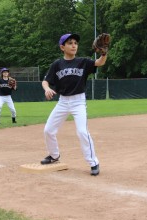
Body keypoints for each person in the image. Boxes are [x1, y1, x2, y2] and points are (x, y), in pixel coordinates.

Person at [40, 33, 107, 176]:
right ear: (62, 47)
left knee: (82, 131)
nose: (74, 45)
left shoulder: (83, 61)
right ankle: (54, 155)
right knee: (48, 130)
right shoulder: (57, 64)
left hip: (78, 102)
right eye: (70, 43)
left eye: (75, 43)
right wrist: (47, 89)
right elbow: (45, 81)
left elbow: (100, 62)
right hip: (63, 102)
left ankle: (93, 162)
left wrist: (104, 53)